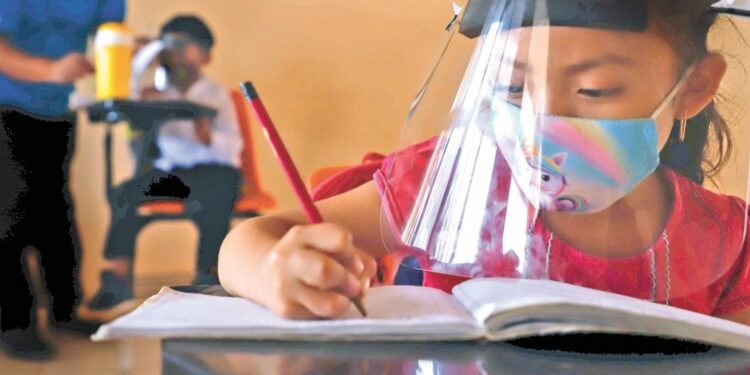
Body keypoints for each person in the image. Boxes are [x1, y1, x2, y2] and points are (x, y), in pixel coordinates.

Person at [217, 0, 750, 326]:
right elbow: (249, 240)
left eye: (595, 89)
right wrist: (273, 271)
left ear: (695, 86)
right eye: (513, 87)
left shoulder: (726, 237)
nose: (543, 120)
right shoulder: (450, 182)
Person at [81, 15, 243, 320]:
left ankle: (207, 278)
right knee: (126, 194)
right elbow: (130, 113)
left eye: (183, 45)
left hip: (214, 170)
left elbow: (232, 149)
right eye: (167, 45)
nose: (175, 52)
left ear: (205, 55)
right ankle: (116, 277)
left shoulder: (215, 95)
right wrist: (140, 66)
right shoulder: (154, 90)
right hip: (174, 174)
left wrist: (205, 133)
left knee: (213, 200)